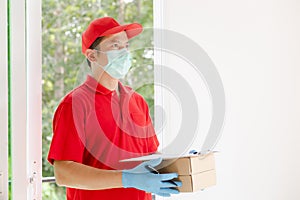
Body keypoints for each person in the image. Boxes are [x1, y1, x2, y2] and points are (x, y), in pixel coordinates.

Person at [47, 16, 181, 200]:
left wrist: (183, 168)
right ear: (92, 55)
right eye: (115, 46)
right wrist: (126, 179)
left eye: (126, 46)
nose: (125, 52)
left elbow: (152, 157)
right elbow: (63, 174)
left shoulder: (137, 101)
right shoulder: (75, 104)